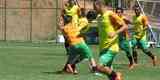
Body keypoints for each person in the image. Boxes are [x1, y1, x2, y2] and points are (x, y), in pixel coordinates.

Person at [93, 0, 127, 80]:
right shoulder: (99, 17)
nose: (94, 9)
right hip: (103, 48)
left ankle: (117, 74)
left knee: (99, 67)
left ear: (99, 6)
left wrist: (115, 33)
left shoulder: (110, 14)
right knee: (109, 74)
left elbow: (124, 26)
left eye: (95, 7)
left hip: (112, 47)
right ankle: (115, 76)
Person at [59, 8, 97, 74]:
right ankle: (94, 69)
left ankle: (68, 68)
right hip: (78, 39)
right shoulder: (85, 22)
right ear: (92, 18)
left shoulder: (82, 20)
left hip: (72, 40)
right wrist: (82, 34)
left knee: (75, 56)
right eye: (93, 19)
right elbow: (78, 29)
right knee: (90, 55)